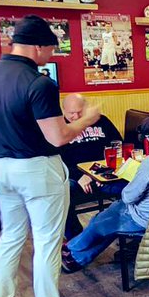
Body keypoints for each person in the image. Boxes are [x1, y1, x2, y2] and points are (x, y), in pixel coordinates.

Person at [0, 15, 98, 297]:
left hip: (1, 167)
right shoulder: (39, 83)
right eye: (51, 49)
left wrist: (2, 153)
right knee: (47, 241)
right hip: (37, 169)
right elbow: (58, 137)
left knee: (11, 236)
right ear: (38, 46)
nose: (52, 55)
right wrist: (87, 119)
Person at [61, 116, 149, 272]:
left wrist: (134, 179)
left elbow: (129, 197)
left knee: (101, 221)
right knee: (108, 219)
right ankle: (76, 257)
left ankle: (71, 250)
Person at [59, 94, 124, 239]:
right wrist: (79, 175)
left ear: (86, 108)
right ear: (63, 111)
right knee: (61, 193)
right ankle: (76, 239)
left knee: (134, 188)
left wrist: (97, 173)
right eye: (71, 113)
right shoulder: (59, 129)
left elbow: (118, 146)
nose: (76, 116)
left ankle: (124, 230)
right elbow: (58, 162)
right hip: (76, 177)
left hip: (105, 174)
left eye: (80, 112)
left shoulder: (101, 121)